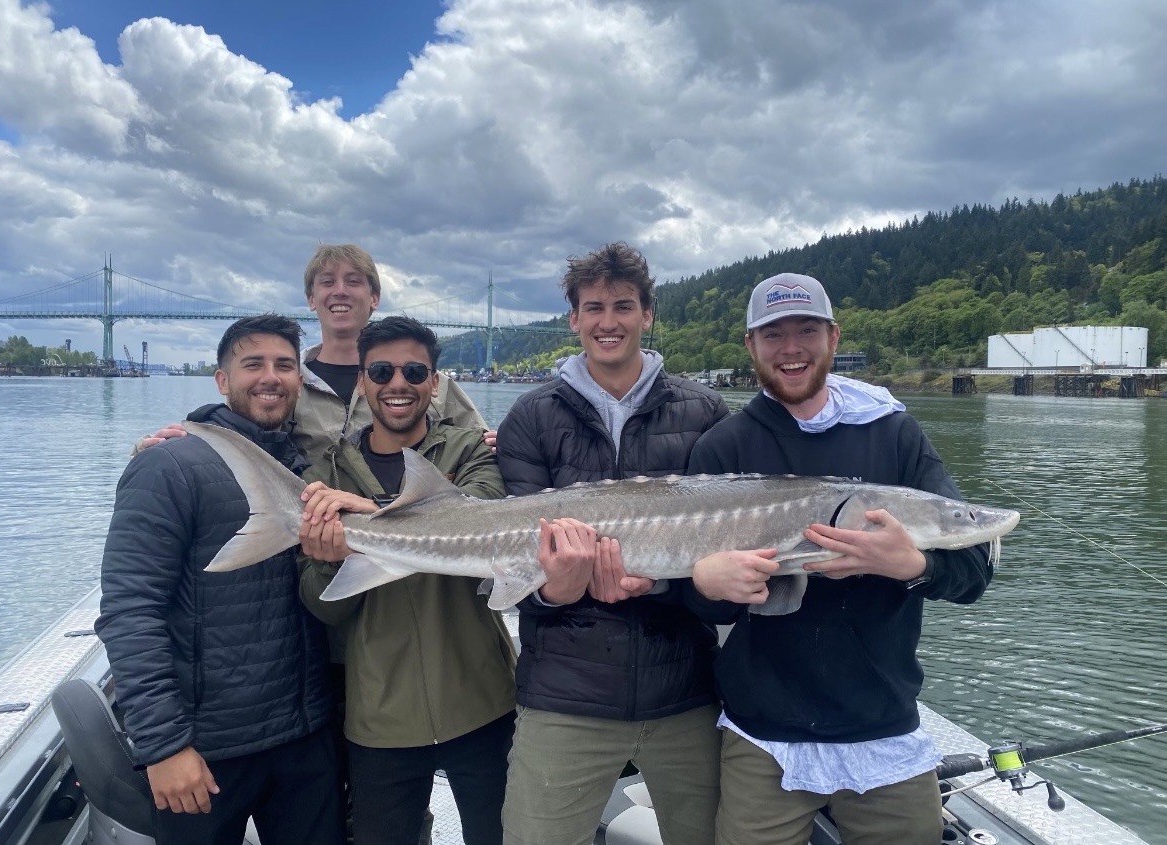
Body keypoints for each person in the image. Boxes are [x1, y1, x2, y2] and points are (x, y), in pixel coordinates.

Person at [685, 273, 994, 845]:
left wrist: (911, 565)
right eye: (774, 334)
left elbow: (975, 573)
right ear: (751, 346)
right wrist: (706, 584)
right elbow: (694, 607)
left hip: (882, 725)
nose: (792, 348)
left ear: (833, 336)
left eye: (807, 330)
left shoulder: (893, 435)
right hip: (762, 735)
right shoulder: (723, 446)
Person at [494, 242, 729, 845]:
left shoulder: (707, 413)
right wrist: (556, 590)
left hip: (686, 691)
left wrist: (669, 584)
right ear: (572, 319)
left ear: (648, 314)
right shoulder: (531, 416)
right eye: (593, 307)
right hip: (565, 695)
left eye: (623, 306)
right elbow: (517, 563)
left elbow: (724, 564)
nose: (608, 322)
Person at [94, 315, 342, 845]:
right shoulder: (171, 465)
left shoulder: (308, 475)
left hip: (304, 738)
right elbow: (129, 610)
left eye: (284, 365)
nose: (270, 377)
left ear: (300, 380)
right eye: (252, 364)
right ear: (221, 379)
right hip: (204, 750)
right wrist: (162, 746)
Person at [296, 316, 516, 845]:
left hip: (483, 702)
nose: (399, 383)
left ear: (434, 383)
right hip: (379, 717)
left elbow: (484, 519)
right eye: (383, 370)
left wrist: (370, 518)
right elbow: (320, 606)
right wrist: (328, 559)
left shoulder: (471, 452)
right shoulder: (325, 477)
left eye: (415, 370)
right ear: (363, 382)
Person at [138, 243, 486, 455]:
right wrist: (159, 449)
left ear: (375, 299)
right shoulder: (283, 384)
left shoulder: (424, 380)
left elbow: (481, 450)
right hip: (309, 545)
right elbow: (232, 438)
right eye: (327, 282)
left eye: (354, 281)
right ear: (311, 299)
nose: (340, 291)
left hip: (403, 543)